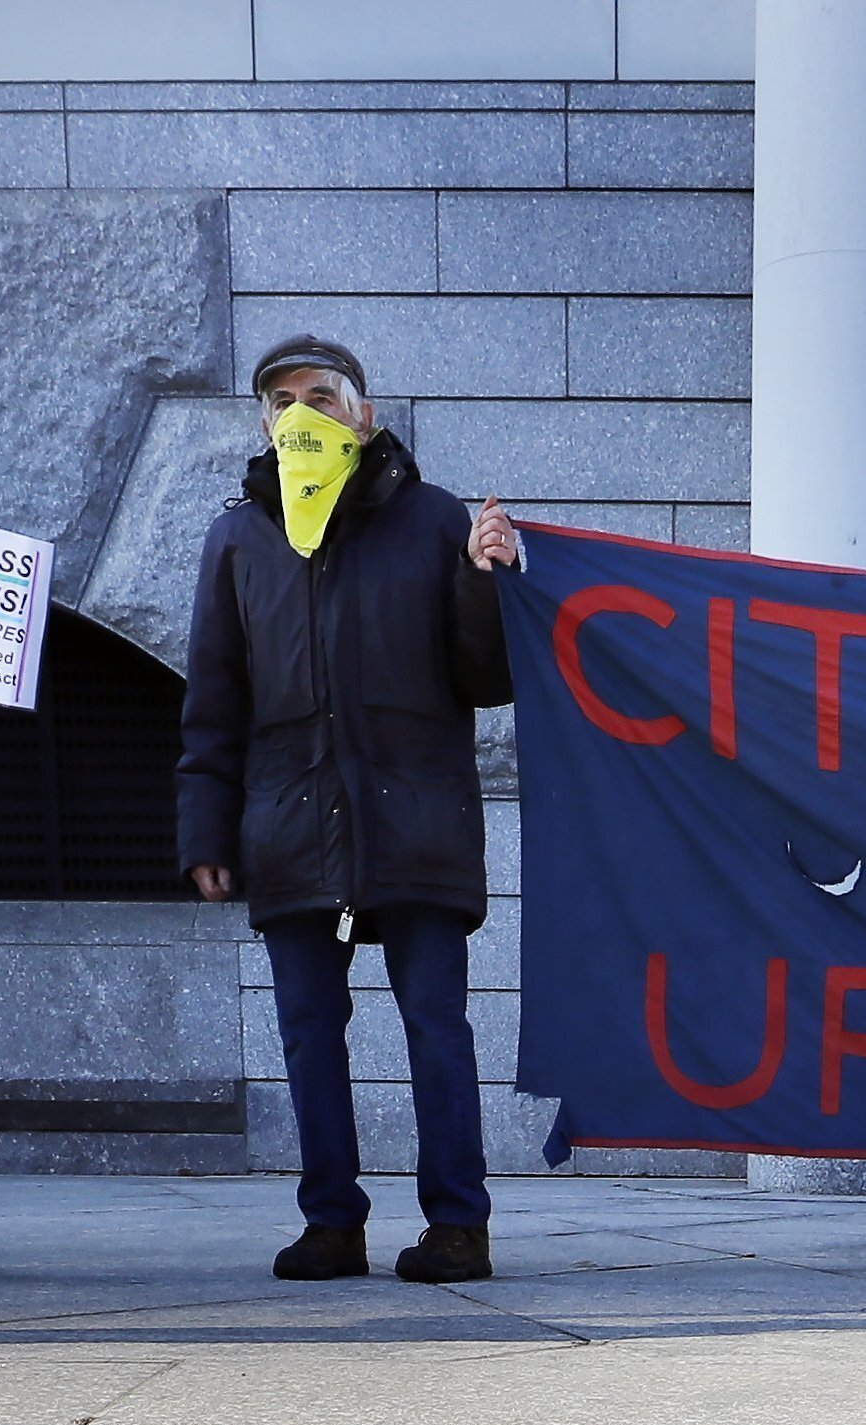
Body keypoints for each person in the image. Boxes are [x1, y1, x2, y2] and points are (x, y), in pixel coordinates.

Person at [180, 335, 521, 1283]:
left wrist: (491, 579)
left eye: (322, 395)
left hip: (416, 817)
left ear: (363, 413)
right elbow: (214, 697)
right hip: (290, 821)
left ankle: (459, 1224)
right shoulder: (238, 537)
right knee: (306, 1030)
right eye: (281, 399)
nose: (302, 412)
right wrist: (205, 829)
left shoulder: (435, 520)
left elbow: (487, 680)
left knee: (434, 1024)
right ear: (261, 422)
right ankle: (331, 1221)